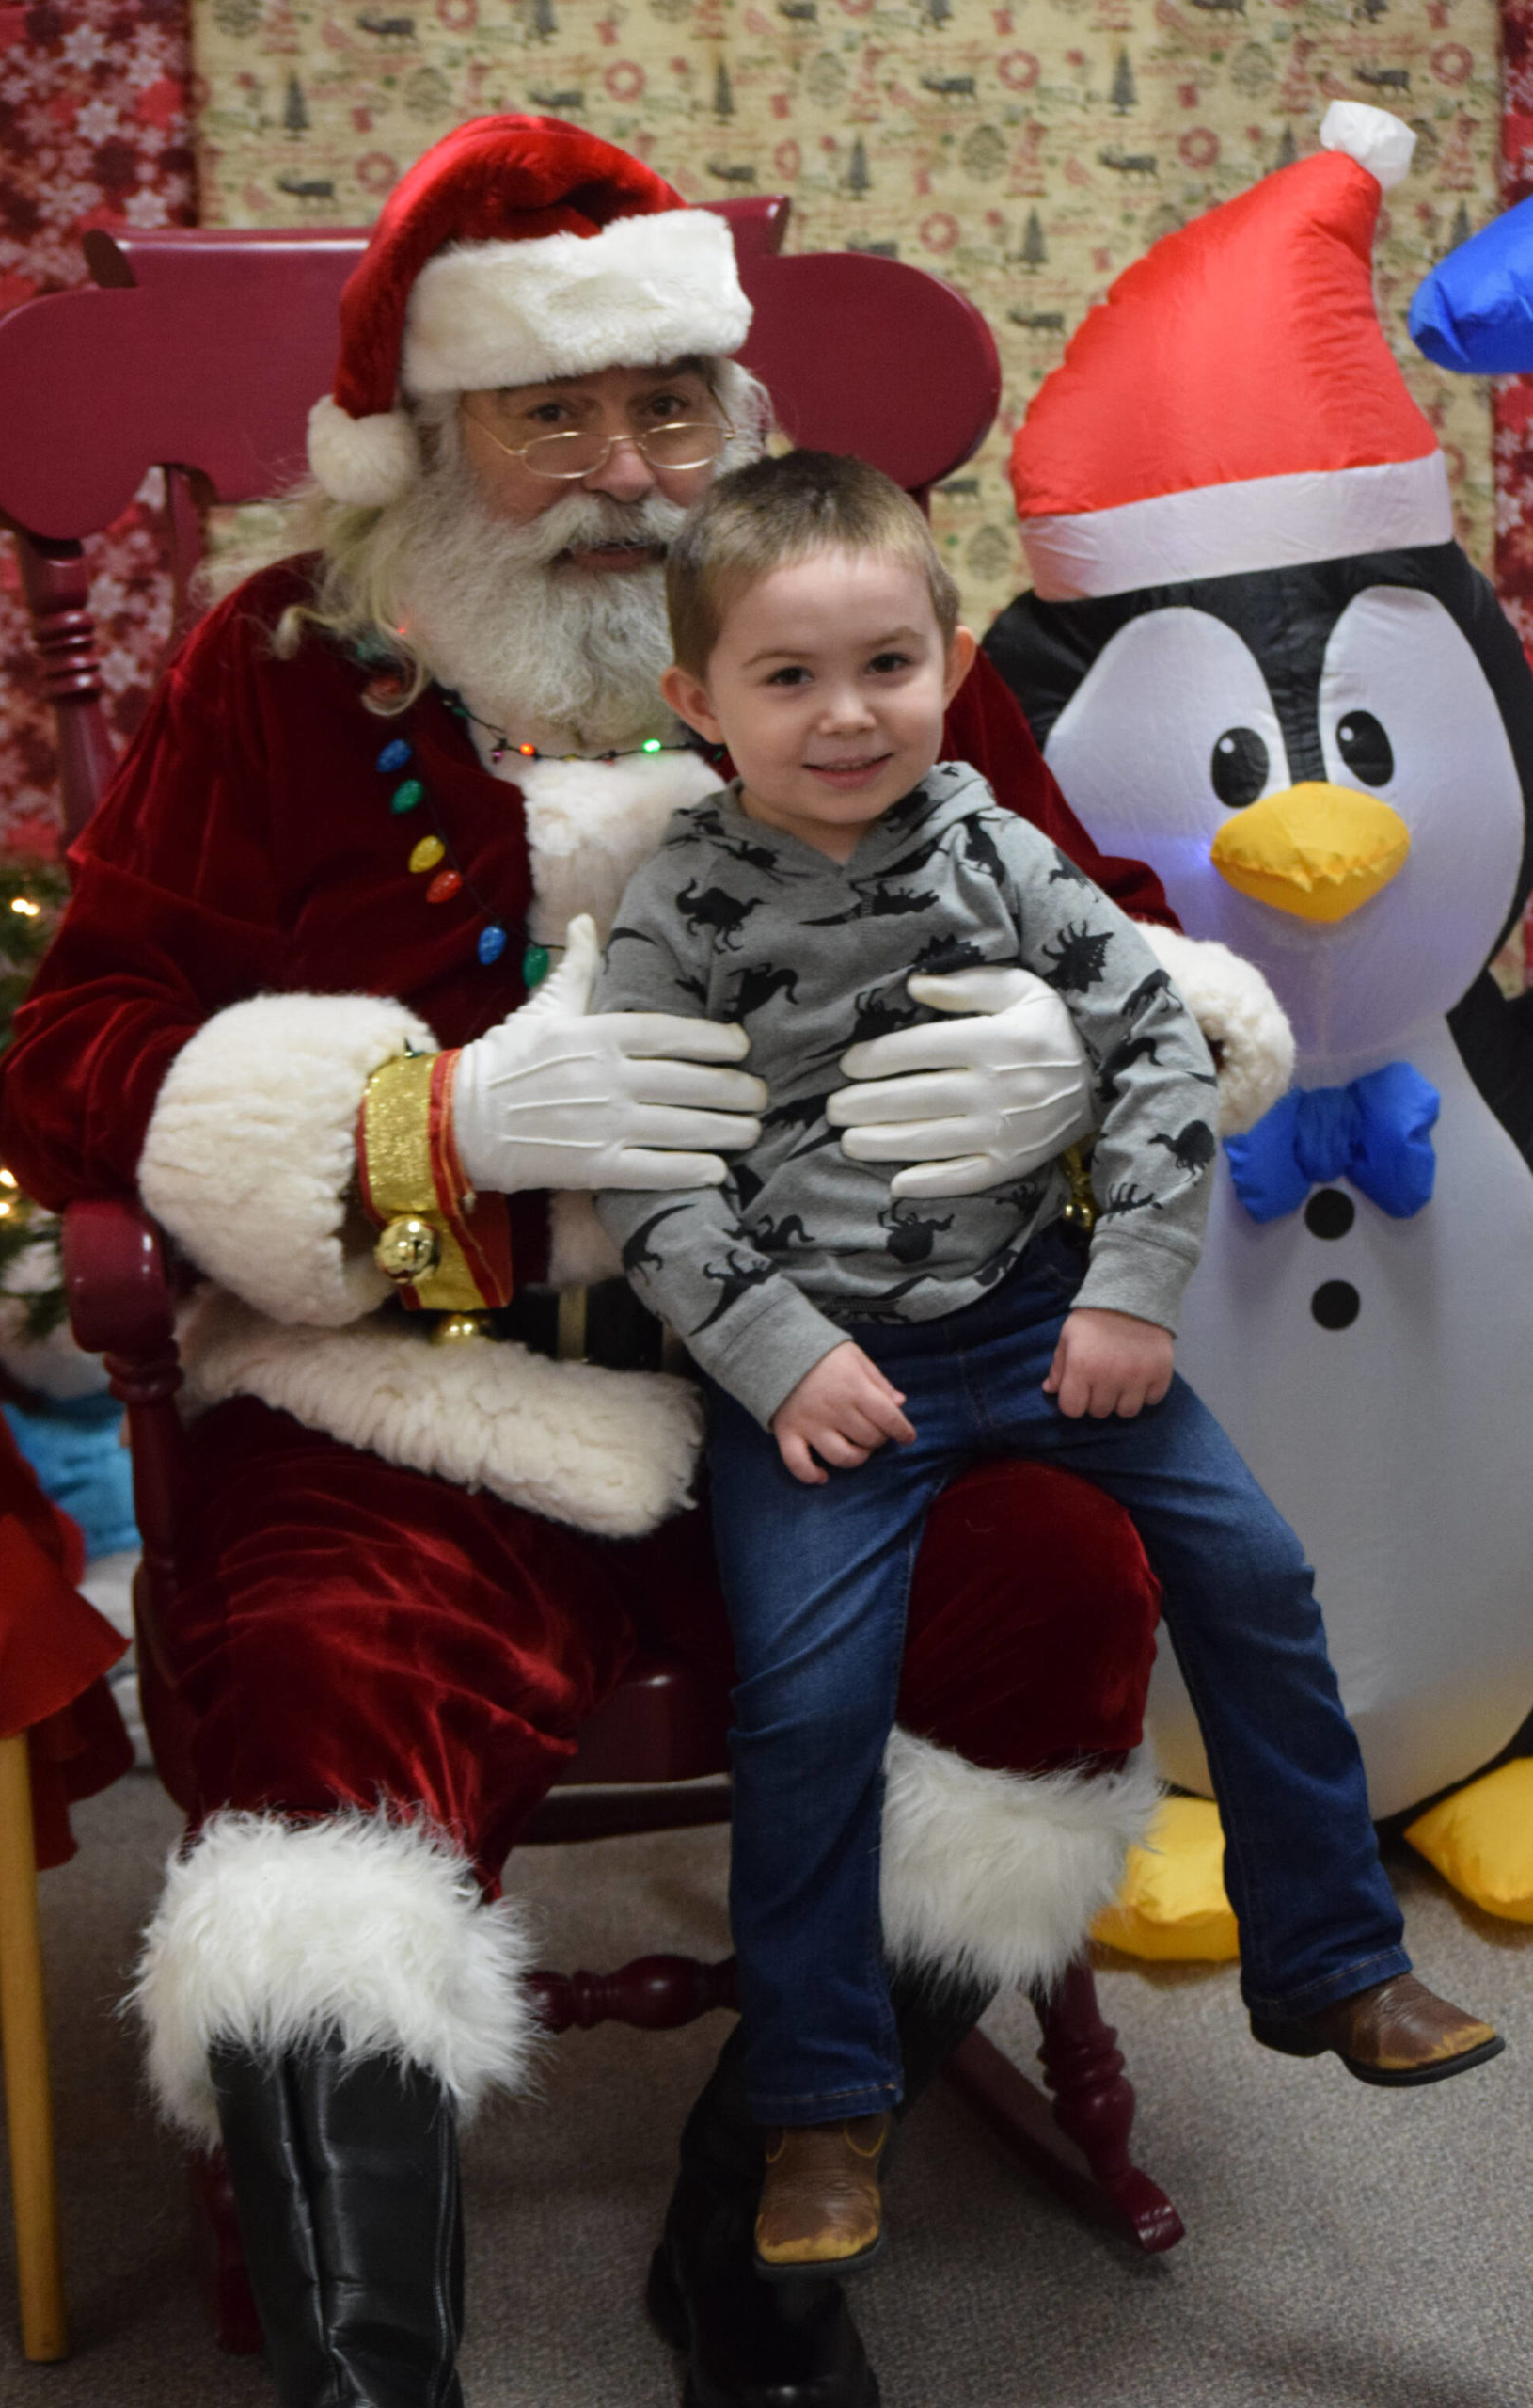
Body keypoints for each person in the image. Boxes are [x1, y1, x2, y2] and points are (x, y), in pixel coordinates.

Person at [0, 114, 1484, 2408]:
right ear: (426, 435)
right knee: (315, 1700)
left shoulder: (829, 635)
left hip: (860, 1376)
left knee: (1065, 1599)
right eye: (553, 410)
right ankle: (368, 2358)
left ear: (734, 410)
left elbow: (1124, 938)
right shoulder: (274, 674)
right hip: (430, 1389)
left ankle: (752, 2231)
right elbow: (71, 1063)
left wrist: (1052, 1068)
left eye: (668, 402)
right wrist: (431, 1120)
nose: (623, 469)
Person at [593, 451, 1505, 2276]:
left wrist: (1129, 1290)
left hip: (1043, 1323)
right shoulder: (675, 905)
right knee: (803, 1700)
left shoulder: (994, 849)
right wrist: (775, 1356)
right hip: (826, 1376)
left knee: (1250, 1572)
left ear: (946, 657)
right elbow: (642, 1166)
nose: (845, 714)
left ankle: (1327, 1959)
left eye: (884, 662)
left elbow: (1164, 1057)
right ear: (696, 702)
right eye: (786, 677)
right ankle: (820, 2098)